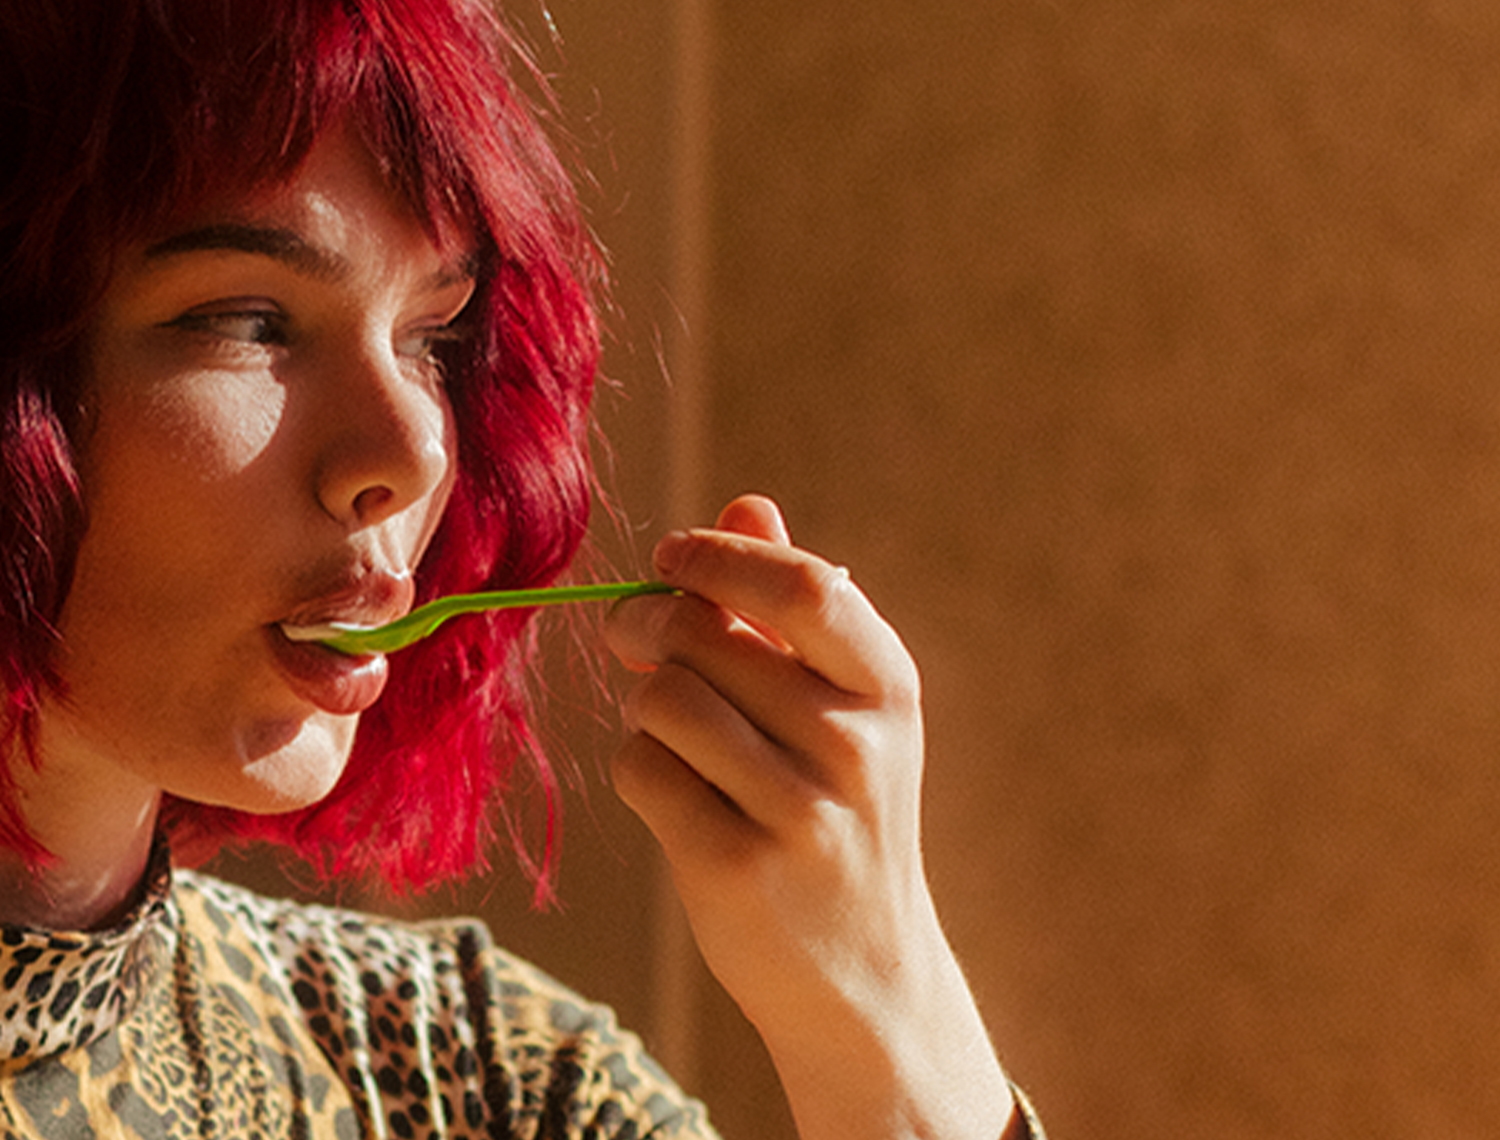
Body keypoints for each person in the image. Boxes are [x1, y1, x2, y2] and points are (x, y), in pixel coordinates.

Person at [0, 1, 1043, 1137]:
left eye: (432, 337)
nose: (412, 451)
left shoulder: (470, 1077)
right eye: (251, 321)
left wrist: (882, 1011)